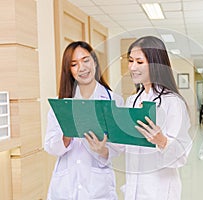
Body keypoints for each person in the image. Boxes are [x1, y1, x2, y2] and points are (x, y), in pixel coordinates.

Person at [44, 41, 123, 200]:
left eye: (86, 60)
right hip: (65, 187)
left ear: (94, 61)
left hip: (99, 188)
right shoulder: (61, 104)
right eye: (74, 64)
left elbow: (119, 146)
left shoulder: (113, 101)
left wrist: (102, 150)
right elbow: (49, 146)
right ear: (69, 70)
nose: (82, 68)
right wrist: (66, 136)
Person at [122, 36, 192, 200]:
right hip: (134, 188)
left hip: (159, 190)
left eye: (139, 62)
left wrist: (162, 141)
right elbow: (127, 145)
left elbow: (181, 157)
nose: (132, 67)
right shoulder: (132, 101)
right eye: (130, 61)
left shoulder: (172, 102)